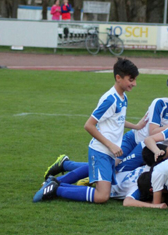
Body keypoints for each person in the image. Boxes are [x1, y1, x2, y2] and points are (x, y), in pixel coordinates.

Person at [34, 58, 140, 204]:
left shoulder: (123, 97)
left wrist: (136, 126)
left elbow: (117, 121)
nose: (134, 83)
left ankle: (57, 183)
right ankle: (56, 188)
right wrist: (111, 145)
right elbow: (89, 125)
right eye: (131, 79)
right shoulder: (110, 99)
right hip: (101, 151)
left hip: (108, 153)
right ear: (118, 78)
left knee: (104, 191)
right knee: (102, 196)